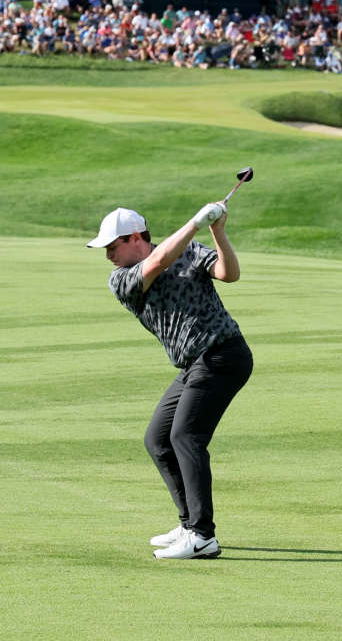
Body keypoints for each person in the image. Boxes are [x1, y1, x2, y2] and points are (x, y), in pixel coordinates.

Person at [88, 200, 251, 560]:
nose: (108, 256)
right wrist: (194, 221)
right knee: (158, 439)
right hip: (195, 363)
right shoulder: (122, 280)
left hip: (224, 355)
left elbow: (229, 273)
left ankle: (202, 535)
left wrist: (217, 232)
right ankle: (190, 523)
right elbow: (159, 260)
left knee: (185, 435)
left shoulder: (190, 250)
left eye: (112, 247)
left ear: (134, 238)